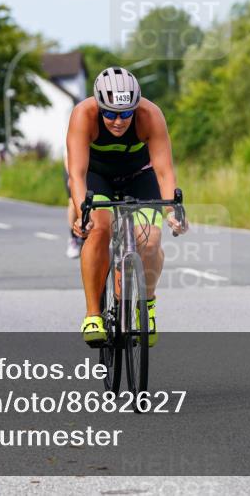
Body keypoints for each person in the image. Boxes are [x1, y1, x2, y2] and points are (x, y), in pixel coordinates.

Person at [66, 67, 187, 346]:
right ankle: (93, 314)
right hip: (98, 177)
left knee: (151, 239)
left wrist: (173, 212)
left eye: (125, 113)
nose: (118, 121)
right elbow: (77, 174)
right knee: (99, 229)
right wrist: (83, 213)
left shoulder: (150, 114)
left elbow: (165, 171)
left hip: (139, 175)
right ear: (99, 105)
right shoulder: (83, 115)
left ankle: (147, 306)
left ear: (136, 107)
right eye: (109, 113)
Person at [64, 153, 82, 258]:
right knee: (73, 201)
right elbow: (68, 156)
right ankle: (73, 238)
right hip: (72, 165)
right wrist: (71, 175)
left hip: (92, 166)